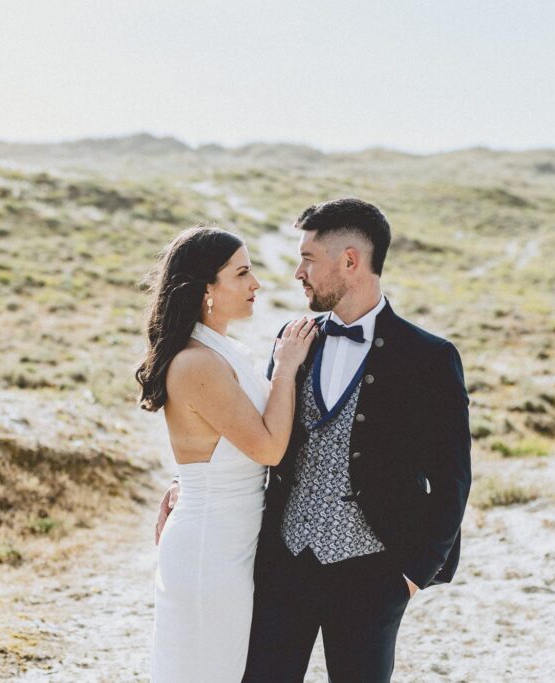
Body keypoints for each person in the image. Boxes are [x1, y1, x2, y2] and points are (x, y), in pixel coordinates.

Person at [157, 199, 472, 682]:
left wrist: (413, 575)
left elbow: (452, 479)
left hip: (373, 574)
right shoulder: (294, 339)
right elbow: (249, 430)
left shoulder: (427, 357)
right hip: (282, 566)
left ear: (350, 261)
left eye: (308, 259)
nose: (297, 273)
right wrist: (191, 481)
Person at [137, 225, 317, 682]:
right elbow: (269, 448)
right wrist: (286, 369)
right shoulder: (196, 362)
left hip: (231, 541)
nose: (256, 283)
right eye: (241, 273)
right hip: (209, 549)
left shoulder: (223, 351)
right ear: (206, 290)